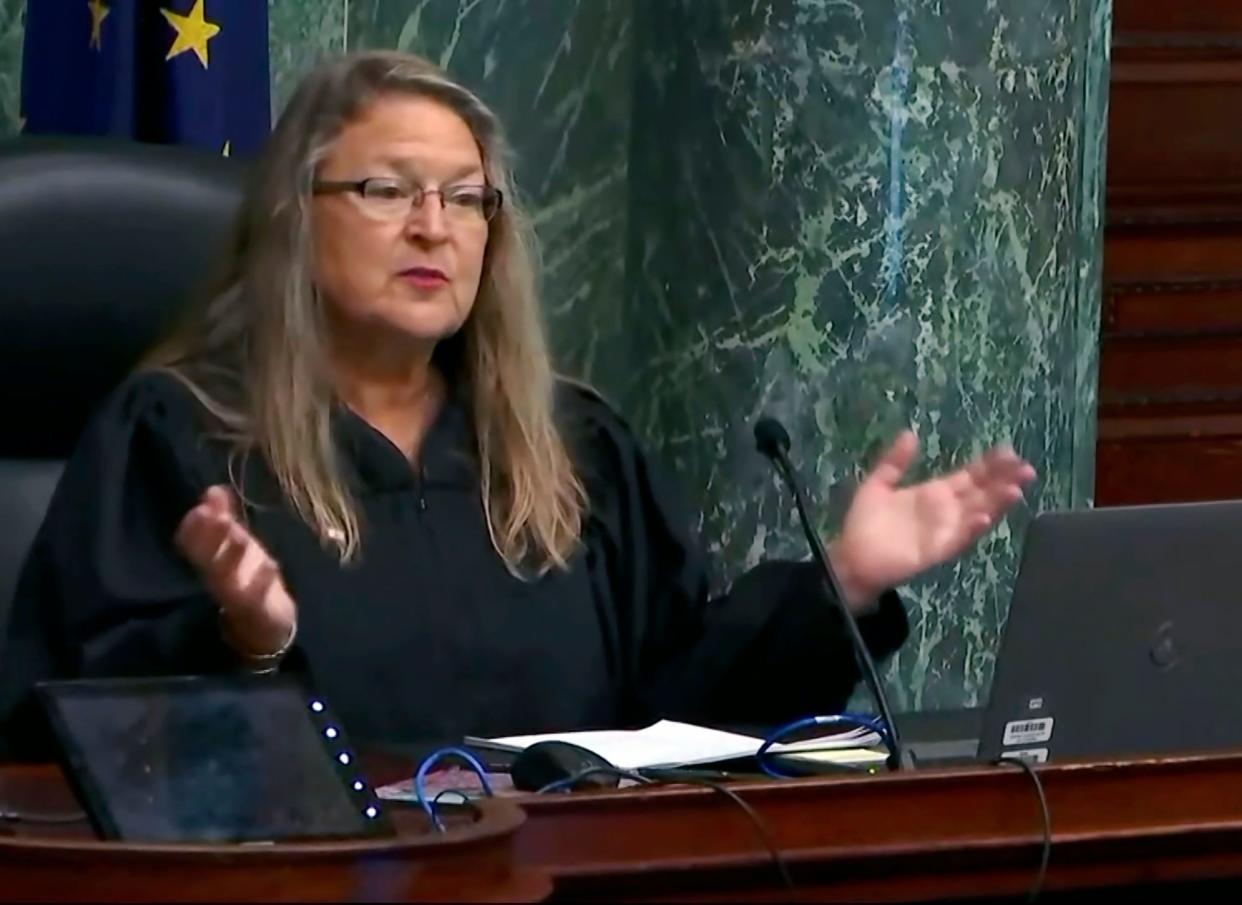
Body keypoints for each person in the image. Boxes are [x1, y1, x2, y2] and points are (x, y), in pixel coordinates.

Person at [0, 51, 1035, 760]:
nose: (432, 227)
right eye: (387, 189)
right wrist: (242, 640)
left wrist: (839, 583)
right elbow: (61, 747)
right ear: (293, 218)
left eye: (464, 197)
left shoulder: (573, 447)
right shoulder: (180, 438)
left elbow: (671, 712)